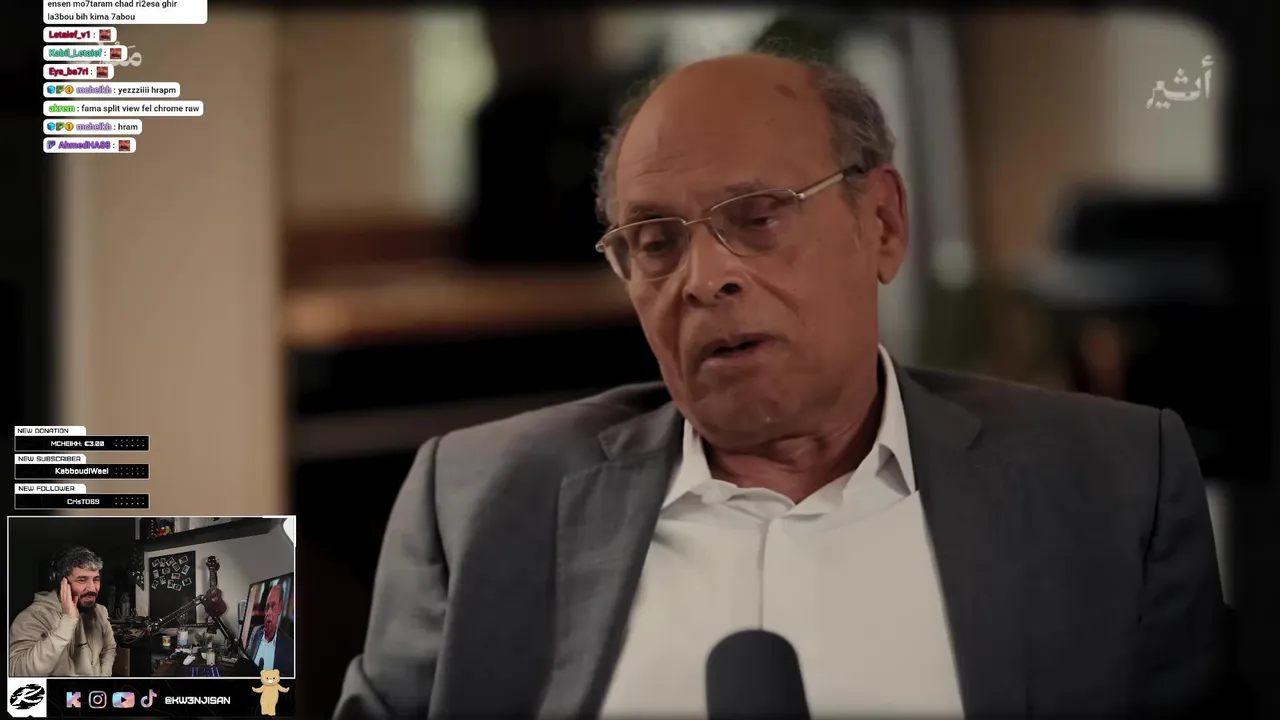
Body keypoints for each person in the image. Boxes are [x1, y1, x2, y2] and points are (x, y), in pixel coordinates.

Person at [333, 52, 1230, 718]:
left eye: (758, 218)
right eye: (656, 242)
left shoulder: (1116, 482)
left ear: (882, 224)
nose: (705, 279)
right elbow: (248, 666)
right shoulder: (471, 496)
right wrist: (235, 625)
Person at [10, 546, 117, 676]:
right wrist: (67, 622)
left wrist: (103, 677)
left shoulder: (100, 612)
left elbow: (109, 649)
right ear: (61, 582)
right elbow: (18, 672)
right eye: (82, 580)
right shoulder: (33, 617)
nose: (92, 588)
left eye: (96, 579)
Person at [246, 580, 294, 676]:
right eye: (267, 607)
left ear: (280, 607)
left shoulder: (290, 646)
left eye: (273, 606)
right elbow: (246, 661)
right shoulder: (256, 632)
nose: (268, 612)